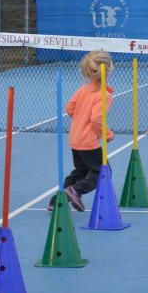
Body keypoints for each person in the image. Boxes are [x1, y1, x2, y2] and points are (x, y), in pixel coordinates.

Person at [48, 50, 116, 212]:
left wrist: (80, 120)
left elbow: (69, 108)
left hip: (75, 138)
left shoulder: (82, 90)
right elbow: (97, 119)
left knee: (80, 171)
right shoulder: (104, 95)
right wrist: (107, 134)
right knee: (102, 172)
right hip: (88, 142)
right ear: (108, 70)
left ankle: (57, 200)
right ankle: (75, 190)